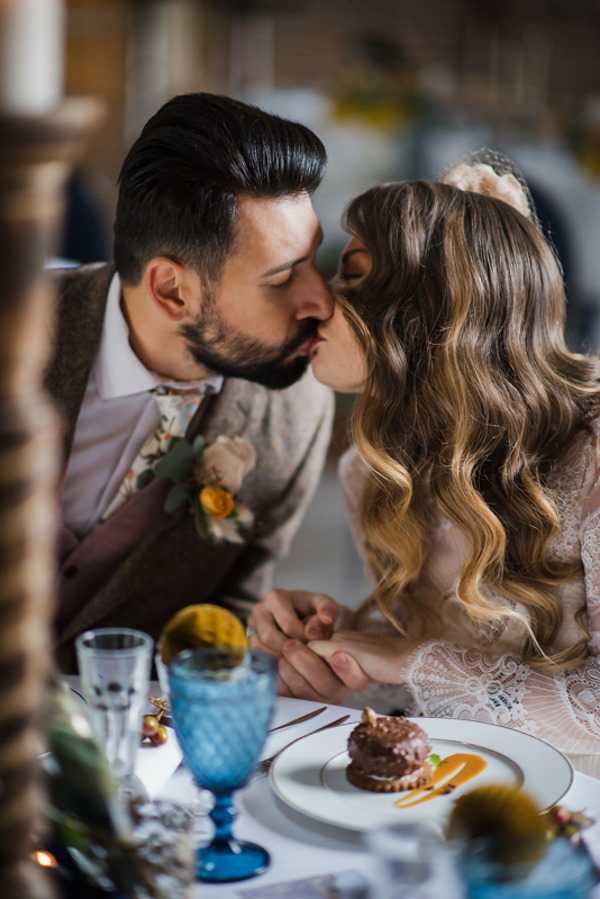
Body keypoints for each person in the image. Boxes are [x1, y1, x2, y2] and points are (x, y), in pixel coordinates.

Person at [248, 153, 600, 776]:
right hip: (457, 792)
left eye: (352, 278)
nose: (316, 302)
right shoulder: (372, 476)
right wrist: (339, 659)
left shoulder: (592, 455)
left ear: (434, 313)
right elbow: (440, 697)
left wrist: (407, 658)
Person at [49, 92, 334, 671]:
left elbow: (229, 610)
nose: (320, 300)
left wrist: (278, 644)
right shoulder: (19, 331)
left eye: (314, 262)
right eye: (282, 280)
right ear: (172, 291)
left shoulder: (297, 412)